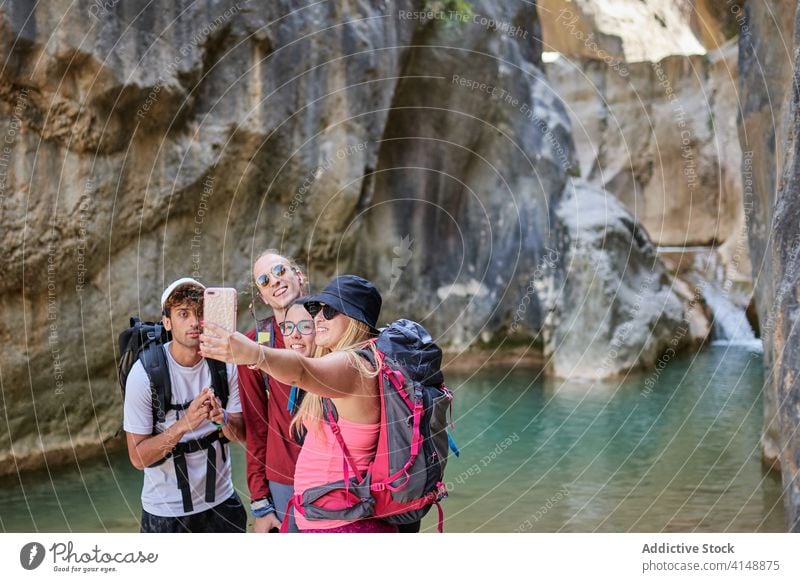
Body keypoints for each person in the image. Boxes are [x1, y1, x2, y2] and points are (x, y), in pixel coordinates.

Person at [200, 274, 397, 533]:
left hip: (343, 523)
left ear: (355, 320)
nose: (319, 318)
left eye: (330, 311)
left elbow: (301, 371)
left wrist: (252, 353)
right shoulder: (356, 361)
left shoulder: (354, 366)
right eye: (317, 309)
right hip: (329, 514)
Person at [124, 277, 246, 533]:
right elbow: (137, 458)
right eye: (183, 314)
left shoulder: (225, 363)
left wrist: (221, 417)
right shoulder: (145, 374)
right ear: (167, 322)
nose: (194, 322)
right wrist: (184, 424)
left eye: (200, 313)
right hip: (166, 511)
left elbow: (242, 434)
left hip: (223, 502)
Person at [239, 251, 309, 532]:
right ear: (263, 298)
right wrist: (260, 502)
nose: (275, 282)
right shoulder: (254, 345)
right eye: (264, 280)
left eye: (280, 271)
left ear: (299, 276)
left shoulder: (329, 329)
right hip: (285, 479)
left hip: (338, 475)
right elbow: (256, 428)